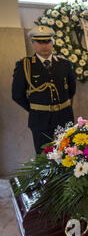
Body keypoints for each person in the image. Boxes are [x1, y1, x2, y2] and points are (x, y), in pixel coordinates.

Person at [12, 25, 76, 154]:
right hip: (40, 119)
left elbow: (71, 89)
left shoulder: (64, 64)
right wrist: (36, 108)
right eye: (39, 42)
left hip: (64, 116)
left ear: (52, 42)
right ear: (33, 43)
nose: (44, 45)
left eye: (47, 41)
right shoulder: (25, 65)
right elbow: (17, 95)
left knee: (68, 154)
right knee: (44, 157)